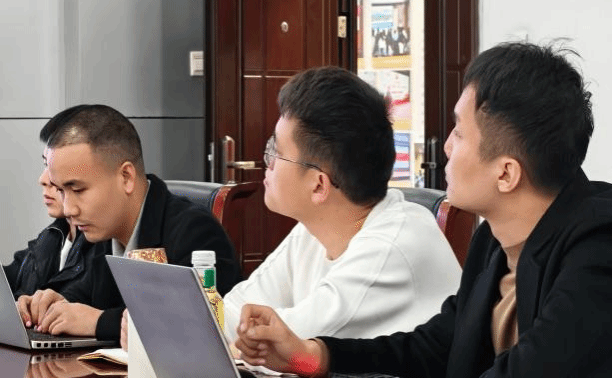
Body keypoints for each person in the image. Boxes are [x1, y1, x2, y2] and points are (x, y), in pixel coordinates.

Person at [235, 42, 612, 378]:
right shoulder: (493, 241)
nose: (447, 147)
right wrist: (312, 357)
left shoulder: (606, 241)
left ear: (506, 173)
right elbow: (434, 350)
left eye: (460, 133)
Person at [222, 66, 461, 342]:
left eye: (277, 151)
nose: (268, 162)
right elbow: (232, 312)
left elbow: (286, 342)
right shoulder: (313, 231)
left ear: (319, 185)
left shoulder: (391, 247)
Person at [17, 104, 241, 342]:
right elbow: (80, 297)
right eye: (62, 191)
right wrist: (54, 305)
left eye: (78, 190)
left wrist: (99, 322)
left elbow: (200, 323)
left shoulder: (195, 232)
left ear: (126, 177)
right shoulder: (99, 232)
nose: (68, 209)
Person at [4, 107, 97, 302]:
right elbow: (9, 279)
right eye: (46, 164)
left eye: (56, 168)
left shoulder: (104, 248)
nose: (44, 180)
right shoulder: (53, 235)